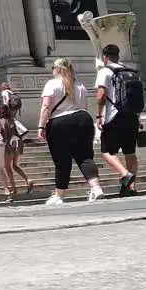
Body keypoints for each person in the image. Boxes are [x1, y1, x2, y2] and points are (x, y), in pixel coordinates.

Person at [36, 58, 103, 205]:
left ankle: (59, 195)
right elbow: (84, 106)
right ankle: (96, 188)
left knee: (62, 160)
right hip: (83, 119)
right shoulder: (79, 84)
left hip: (60, 122)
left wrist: (41, 126)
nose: (52, 70)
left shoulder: (52, 84)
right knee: (85, 156)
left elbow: (46, 107)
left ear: (58, 69)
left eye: (53, 67)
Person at [95, 44, 146, 197]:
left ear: (105, 57)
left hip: (115, 116)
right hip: (132, 115)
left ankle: (125, 174)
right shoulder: (130, 71)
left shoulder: (105, 71)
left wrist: (98, 115)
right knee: (130, 152)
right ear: (118, 56)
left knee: (106, 151)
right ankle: (131, 188)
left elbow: (101, 95)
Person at [0, 103, 35, 196]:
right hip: (17, 144)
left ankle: (14, 188)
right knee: (14, 165)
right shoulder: (12, 120)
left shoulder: (2, 122)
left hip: (8, 146)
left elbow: (3, 136)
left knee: (8, 168)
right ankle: (28, 179)